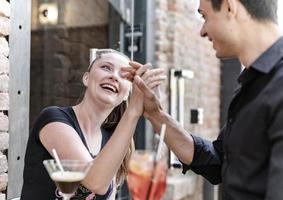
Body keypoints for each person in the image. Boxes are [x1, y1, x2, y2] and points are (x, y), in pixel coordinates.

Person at [127, 0, 283, 199]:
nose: (202, 31)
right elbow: (220, 162)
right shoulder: (253, 83)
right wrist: (156, 115)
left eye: (204, 16)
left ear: (229, 7)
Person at [20, 49, 166, 200]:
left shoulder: (113, 140)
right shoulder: (54, 119)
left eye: (124, 75)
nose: (114, 76)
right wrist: (134, 110)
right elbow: (95, 182)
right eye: (106, 67)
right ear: (86, 79)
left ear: (127, 94)